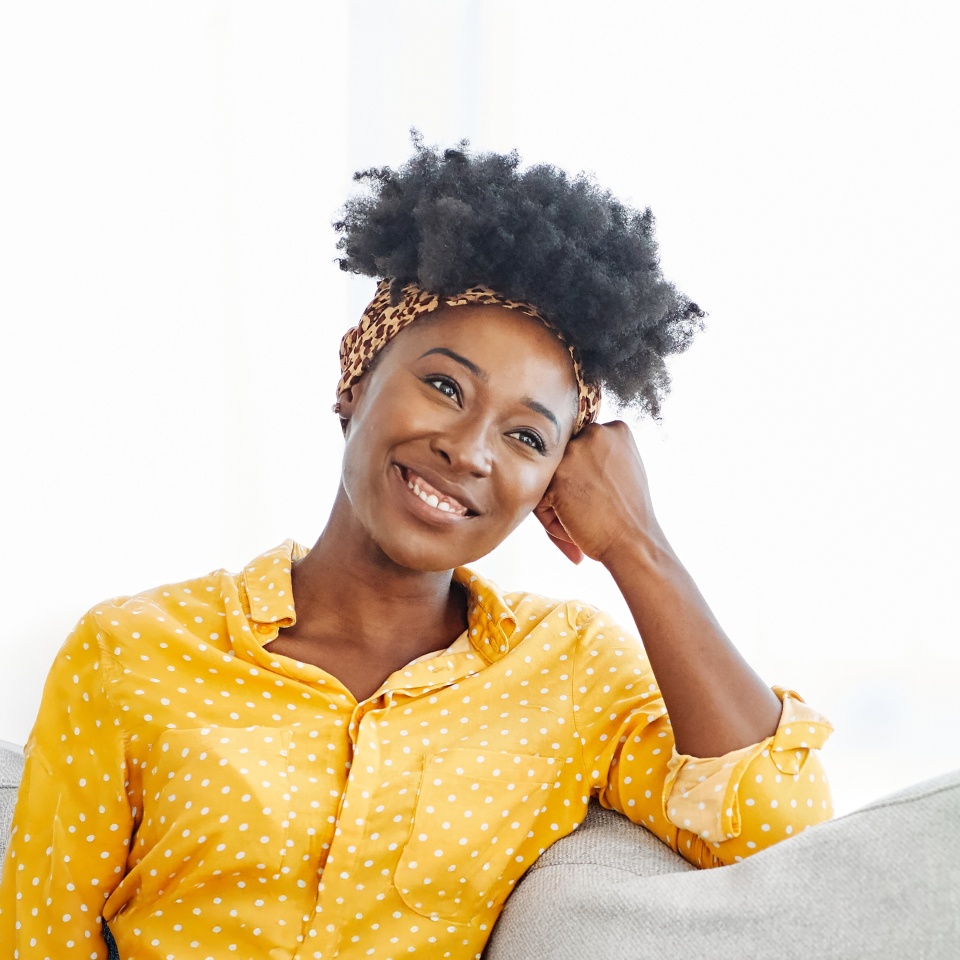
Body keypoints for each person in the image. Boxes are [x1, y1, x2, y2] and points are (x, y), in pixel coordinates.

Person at [0, 136, 833, 960]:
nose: (470, 451)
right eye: (444, 387)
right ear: (357, 376)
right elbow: (37, 940)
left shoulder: (570, 671)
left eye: (525, 437)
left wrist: (638, 544)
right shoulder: (130, 653)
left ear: (553, 484)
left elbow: (780, 834)